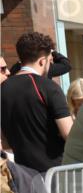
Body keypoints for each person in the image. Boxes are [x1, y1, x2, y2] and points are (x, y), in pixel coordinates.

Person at [0, 32, 74, 173]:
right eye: (50, 60)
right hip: (55, 171)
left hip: (22, 173)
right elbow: (69, 133)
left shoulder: (3, 88)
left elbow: (4, 139)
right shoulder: (48, 86)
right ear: (42, 61)